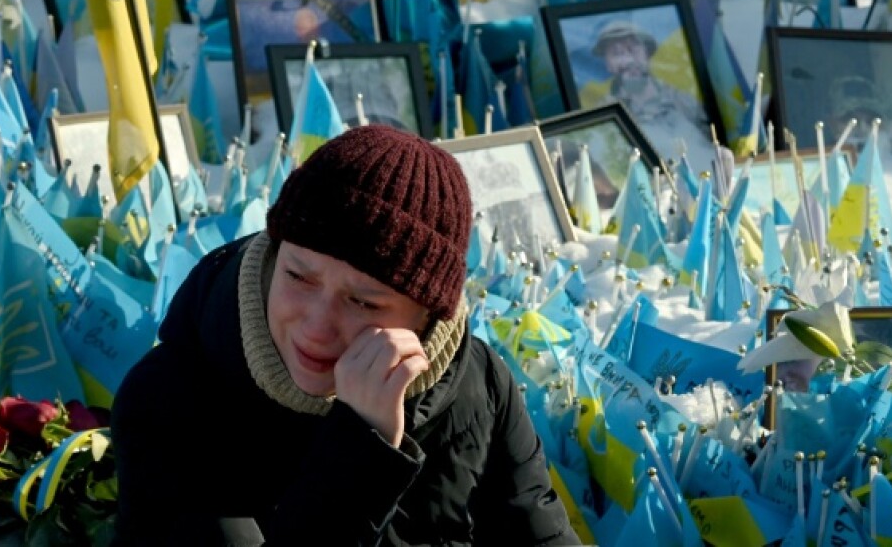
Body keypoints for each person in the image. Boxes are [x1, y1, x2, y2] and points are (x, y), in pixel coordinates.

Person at [111, 125, 580, 545]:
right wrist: (362, 451)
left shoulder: (479, 384)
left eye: (364, 302)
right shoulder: (172, 395)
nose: (316, 326)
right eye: (299, 277)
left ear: (426, 316)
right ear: (274, 257)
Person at [585, 20, 708, 132]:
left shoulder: (682, 100)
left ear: (647, 54)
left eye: (633, 49)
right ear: (608, 65)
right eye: (617, 53)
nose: (628, 60)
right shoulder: (603, 113)